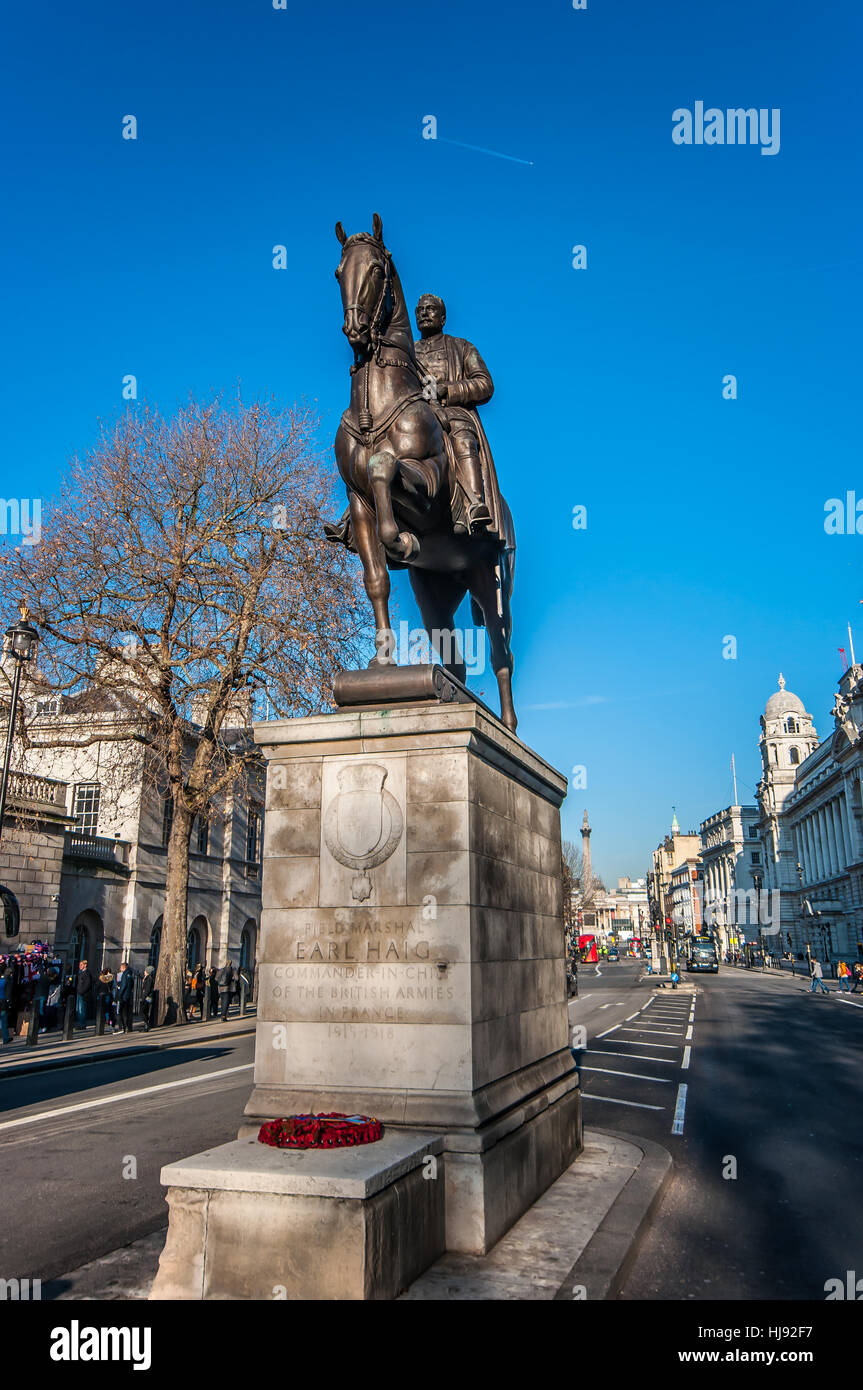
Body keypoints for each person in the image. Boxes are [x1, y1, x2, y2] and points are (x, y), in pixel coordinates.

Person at [116, 961, 135, 1033]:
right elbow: (132, 984)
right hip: (128, 995)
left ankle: (123, 1027)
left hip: (124, 996)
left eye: (121, 967)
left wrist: (120, 995)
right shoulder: (130, 974)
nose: (120, 968)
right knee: (127, 1012)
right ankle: (127, 1027)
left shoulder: (124, 974)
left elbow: (123, 986)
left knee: (122, 1012)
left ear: (123, 967)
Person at [76, 958, 94, 1029]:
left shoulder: (87, 973)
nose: (80, 966)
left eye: (81, 965)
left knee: (81, 1009)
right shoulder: (81, 973)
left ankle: (82, 1024)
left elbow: (87, 984)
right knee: (79, 1009)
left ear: (85, 965)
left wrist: (81, 991)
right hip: (79, 993)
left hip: (83, 994)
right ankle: (80, 1023)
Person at [140, 966, 155, 1030]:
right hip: (147, 997)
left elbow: (147, 989)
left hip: (147, 997)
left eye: (145, 971)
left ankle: (147, 1024)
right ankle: (146, 1024)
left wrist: (144, 996)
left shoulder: (149, 979)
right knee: (144, 1011)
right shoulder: (147, 978)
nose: (144, 972)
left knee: (144, 1011)